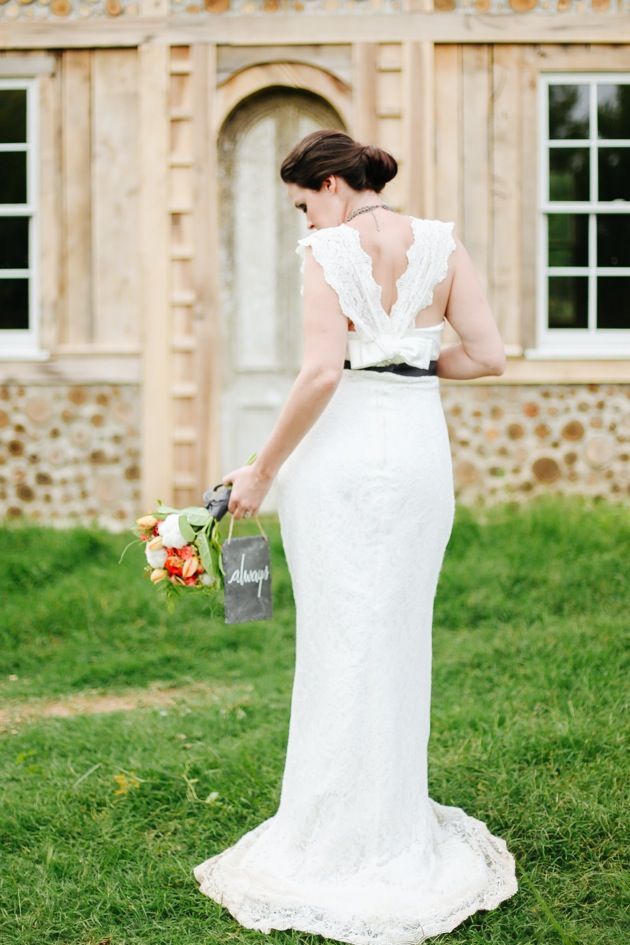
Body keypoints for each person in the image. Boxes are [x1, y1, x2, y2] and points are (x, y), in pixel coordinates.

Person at [193, 129, 518, 943]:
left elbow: (320, 372)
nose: (305, 218)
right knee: (399, 636)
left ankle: (331, 833)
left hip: (338, 461)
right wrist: (410, 362)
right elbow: (489, 356)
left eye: (304, 202)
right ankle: (394, 826)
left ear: (332, 185)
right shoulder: (441, 243)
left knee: (341, 640)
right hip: (415, 460)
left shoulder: (328, 250)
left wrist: (260, 470)